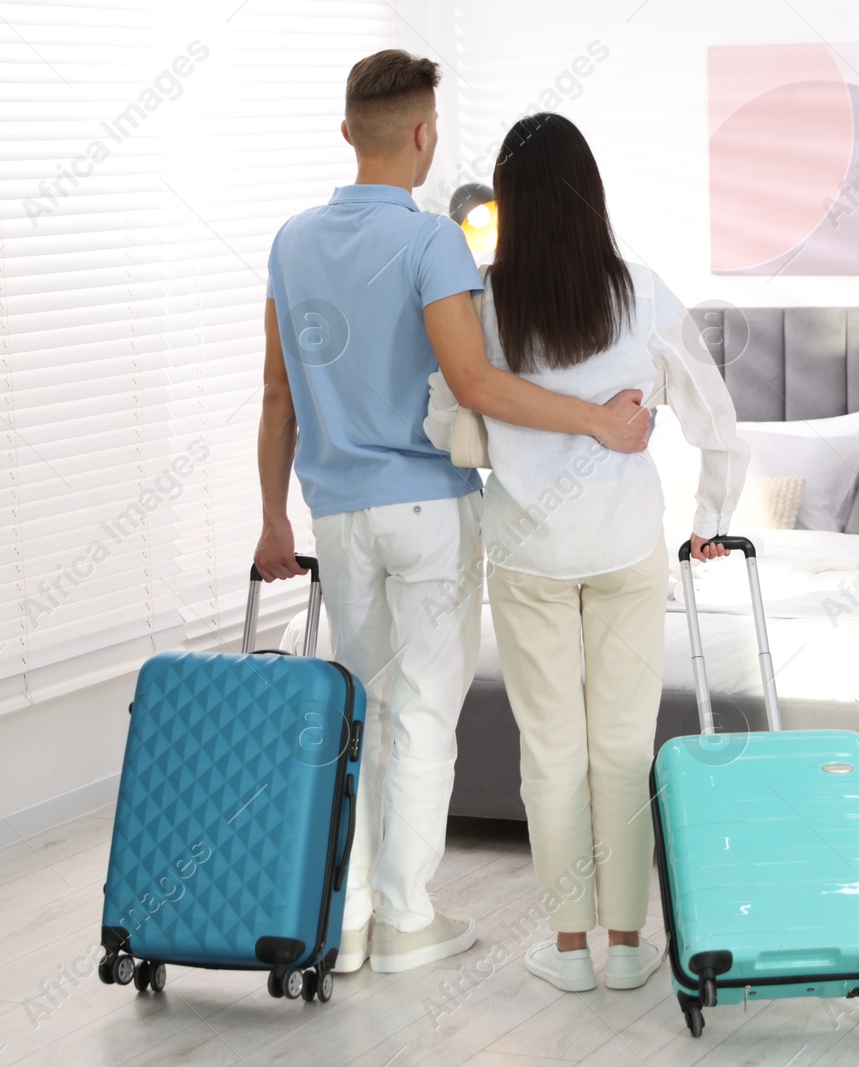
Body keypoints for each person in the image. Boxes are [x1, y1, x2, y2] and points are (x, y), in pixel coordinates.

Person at [254, 53, 651, 976]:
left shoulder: (291, 241)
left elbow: (277, 395)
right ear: (426, 136)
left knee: (361, 710)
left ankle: (342, 926)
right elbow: (475, 384)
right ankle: (405, 919)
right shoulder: (435, 243)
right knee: (426, 714)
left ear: (348, 131)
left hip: (336, 515)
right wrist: (597, 419)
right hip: (430, 507)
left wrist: (273, 519)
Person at [424, 113, 748, 992]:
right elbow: (715, 418)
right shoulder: (642, 292)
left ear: (511, 205)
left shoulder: (482, 306)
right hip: (623, 547)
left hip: (528, 552)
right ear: (590, 193)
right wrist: (709, 517)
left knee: (552, 750)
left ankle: (568, 948)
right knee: (621, 743)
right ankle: (630, 944)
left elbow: (442, 416)